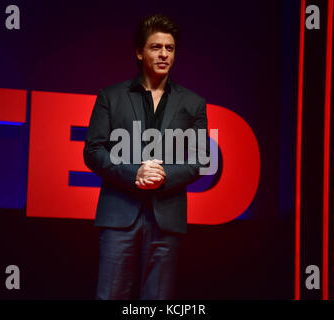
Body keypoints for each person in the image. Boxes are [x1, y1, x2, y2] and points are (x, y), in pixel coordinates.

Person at [83, 13, 210, 300]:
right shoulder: (110, 97)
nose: (164, 54)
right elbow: (93, 151)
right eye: (156, 47)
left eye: (170, 48)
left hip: (166, 216)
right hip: (119, 214)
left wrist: (163, 176)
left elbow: (201, 159)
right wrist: (134, 174)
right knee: (110, 295)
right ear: (139, 52)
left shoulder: (193, 103)